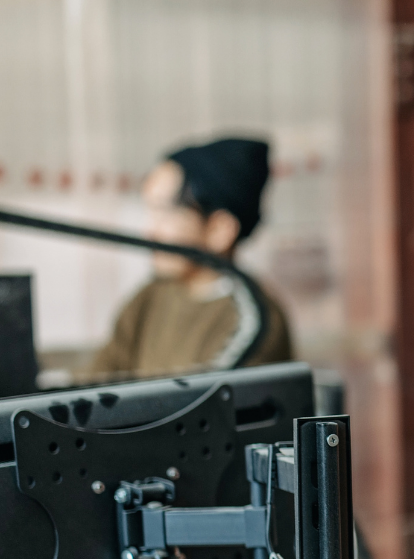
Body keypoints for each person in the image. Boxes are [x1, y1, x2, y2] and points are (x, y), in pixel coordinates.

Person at [92, 137, 292, 379]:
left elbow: (207, 407)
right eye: (149, 212)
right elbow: (97, 379)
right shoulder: (150, 296)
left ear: (220, 230)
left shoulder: (256, 320)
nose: (150, 232)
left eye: (164, 214)